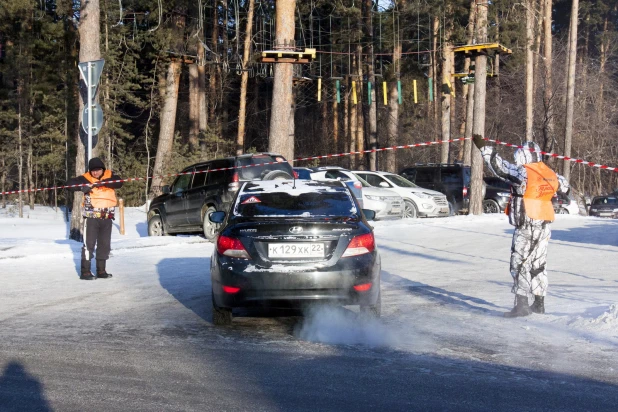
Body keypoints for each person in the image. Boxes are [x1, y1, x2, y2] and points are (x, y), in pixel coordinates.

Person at [473, 135, 569, 317]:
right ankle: (539, 303)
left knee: (520, 263)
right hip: (545, 224)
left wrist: (484, 148)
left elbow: (500, 167)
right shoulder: (549, 173)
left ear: (523, 156)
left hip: (527, 223)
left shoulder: (523, 173)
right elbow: (565, 188)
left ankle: (522, 306)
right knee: (538, 264)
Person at [67, 158, 123, 280]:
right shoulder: (86, 178)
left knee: (104, 245)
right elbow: (69, 184)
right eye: (93, 171)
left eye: (98, 170)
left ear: (103, 169)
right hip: (92, 218)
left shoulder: (110, 175)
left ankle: (101, 270)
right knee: (89, 244)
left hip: (107, 217)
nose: (95, 173)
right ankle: (85, 271)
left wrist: (103, 183)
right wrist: (82, 187)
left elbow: (119, 182)